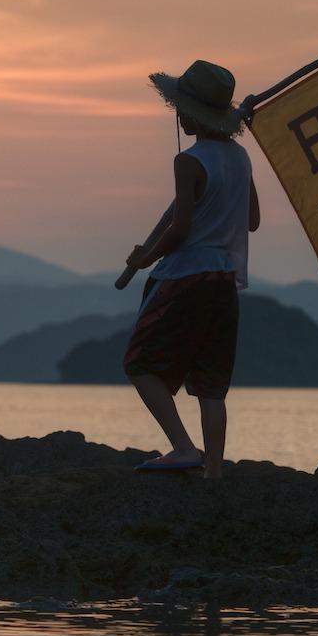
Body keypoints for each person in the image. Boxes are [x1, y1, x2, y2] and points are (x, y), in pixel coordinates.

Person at [123, 59, 258, 479]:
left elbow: (180, 230)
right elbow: (251, 219)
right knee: (211, 382)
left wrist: (146, 258)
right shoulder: (240, 158)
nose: (178, 115)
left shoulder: (190, 162)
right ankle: (213, 472)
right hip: (223, 282)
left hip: (186, 277)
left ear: (193, 113)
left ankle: (183, 448)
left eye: (181, 106)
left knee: (140, 364)